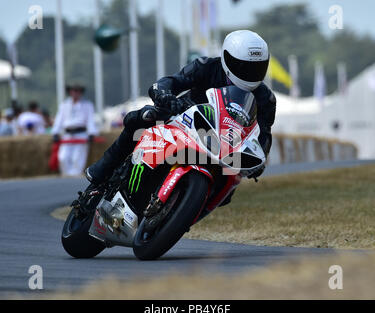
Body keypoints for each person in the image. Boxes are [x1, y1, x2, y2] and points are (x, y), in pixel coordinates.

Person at [86, 30, 276, 192]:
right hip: (185, 118)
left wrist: (259, 161)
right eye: (243, 66)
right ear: (227, 58)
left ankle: (182, 213)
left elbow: (263, 135)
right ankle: (103, 169)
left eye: (256, 67)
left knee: (230, 180)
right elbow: (171, 82)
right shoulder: (206, 67)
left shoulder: (265, 99)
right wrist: (165, 95)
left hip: (224, 144)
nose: (249, 73)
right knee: (143, 117)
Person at [52, 84, 98, 176]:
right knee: (63, 157)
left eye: (78, 91)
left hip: (81, 134)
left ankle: (75, 176)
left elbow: (90, 120)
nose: (76, 93)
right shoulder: (64, 104)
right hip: (67, 135)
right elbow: (59, 119)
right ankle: (66, 175)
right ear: (70, 92)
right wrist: (55, 132)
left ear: (81, 93)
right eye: (74, 91)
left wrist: (91, 133)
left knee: (77, 157)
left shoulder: (87, 105)